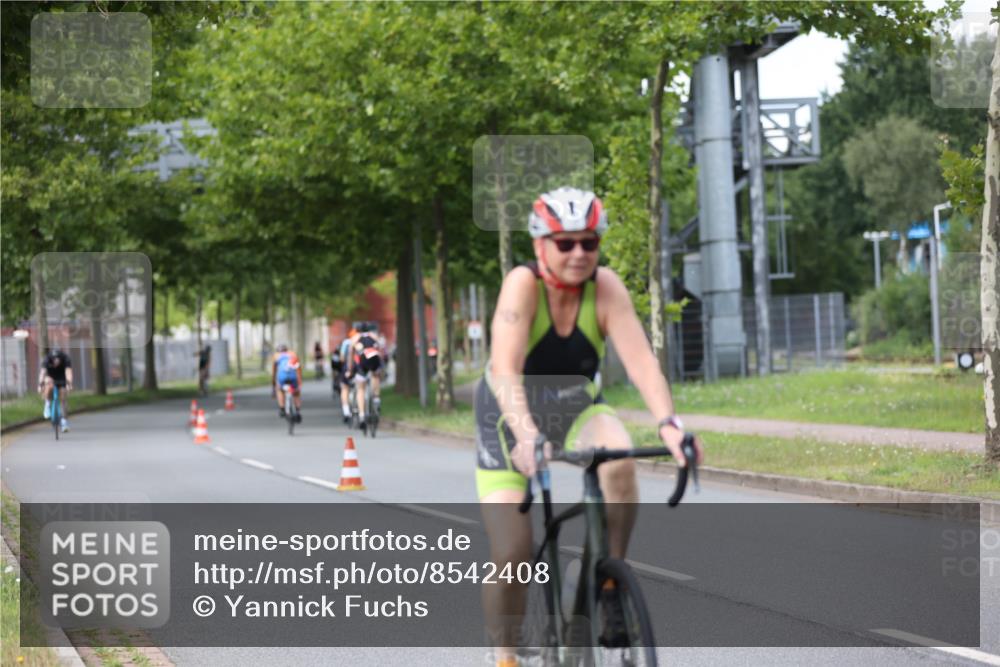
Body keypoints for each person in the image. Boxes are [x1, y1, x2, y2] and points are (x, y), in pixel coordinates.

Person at [475, 187, 703, 664]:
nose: (579, 253)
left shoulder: (605, 287)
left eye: (589, 242)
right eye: (565, 243)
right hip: (508, 416)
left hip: (577, 405)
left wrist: (669, 426)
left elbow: (642, 363)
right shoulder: (522, 284)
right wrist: (526, 434)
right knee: (513, 554)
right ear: (540, 246)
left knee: (619, 461)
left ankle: (609, 583)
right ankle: (505, 656)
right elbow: (505, 368)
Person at [347, 322, 383, 435]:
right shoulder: (374, 336)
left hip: (362, 361)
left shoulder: (355, 338)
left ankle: (362, 415)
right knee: (375, 376)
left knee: (361, 388)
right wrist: (381, 367)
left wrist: (350, 370)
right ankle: (376, 399)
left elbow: (350, 354)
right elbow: (381, 350)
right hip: (374, 358)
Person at [38, 347, 73, 432]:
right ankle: (47, 404)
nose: (56, 362)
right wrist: (40, 384)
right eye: (54, 360)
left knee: (63, 397)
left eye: (58, 360)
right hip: (50, 377)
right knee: (48, 384)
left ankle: (64, 422)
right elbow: (42, 373)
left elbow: (68, 372)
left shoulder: (66, 359)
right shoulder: (47, 359)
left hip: (61, 377)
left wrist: (69, 383)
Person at [271, 343, 303, 422]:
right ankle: (298, 411)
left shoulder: (276, 356)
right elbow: (298, 369)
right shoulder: (293, 354)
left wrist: (273, 385)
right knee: (296, 393)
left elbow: (274, 373)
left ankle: (282, 408)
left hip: (282, 377)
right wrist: (299, 383)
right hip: (293, 377)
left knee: (280, 390)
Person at [337, 328, 359, 424]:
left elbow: (342, 358)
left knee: (344, 388)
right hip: (360, 368)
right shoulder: (362, 341)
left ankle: (346, 412)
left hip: (348, 368)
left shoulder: (346, 342)